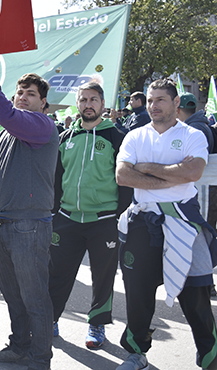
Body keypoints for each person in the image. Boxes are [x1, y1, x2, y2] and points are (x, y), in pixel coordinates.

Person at [114, 79, 217, 370]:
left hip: (183, 221)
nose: (153, 106)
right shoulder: (135, 136)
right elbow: (123, 176)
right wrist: (172, 174)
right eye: (149, 100)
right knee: (138, 292)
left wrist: (144, 167)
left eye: (160, 100)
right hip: (142, 221)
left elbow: (193, 171)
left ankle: (210, 357)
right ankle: (136, 353)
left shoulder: (192, 134)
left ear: (175, 104)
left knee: (195, 294)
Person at [0, 57, 58, 370]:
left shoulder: (40, 126)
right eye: (19, 92)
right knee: (13, 294)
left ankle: (40, 358)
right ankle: (20, 346)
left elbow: (7, 115)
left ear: (43, 103)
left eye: (31, 94)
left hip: (29, 224)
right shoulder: (7, 132)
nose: (23, 96)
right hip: (4, 222)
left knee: (34, 296)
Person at [49, 82, 131, 350]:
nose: (88, 104)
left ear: (102, 104)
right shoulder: (65, 138)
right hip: (67, 218)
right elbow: (56, 179)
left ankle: (96, 324)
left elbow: (125, 182)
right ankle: (50, 320)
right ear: (78, 103)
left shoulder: (117, 137)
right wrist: (53, 212)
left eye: (93, 99)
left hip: (104, 221)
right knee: (57, 274)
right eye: (83, 99)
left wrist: (118, 215)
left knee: (103, 276)